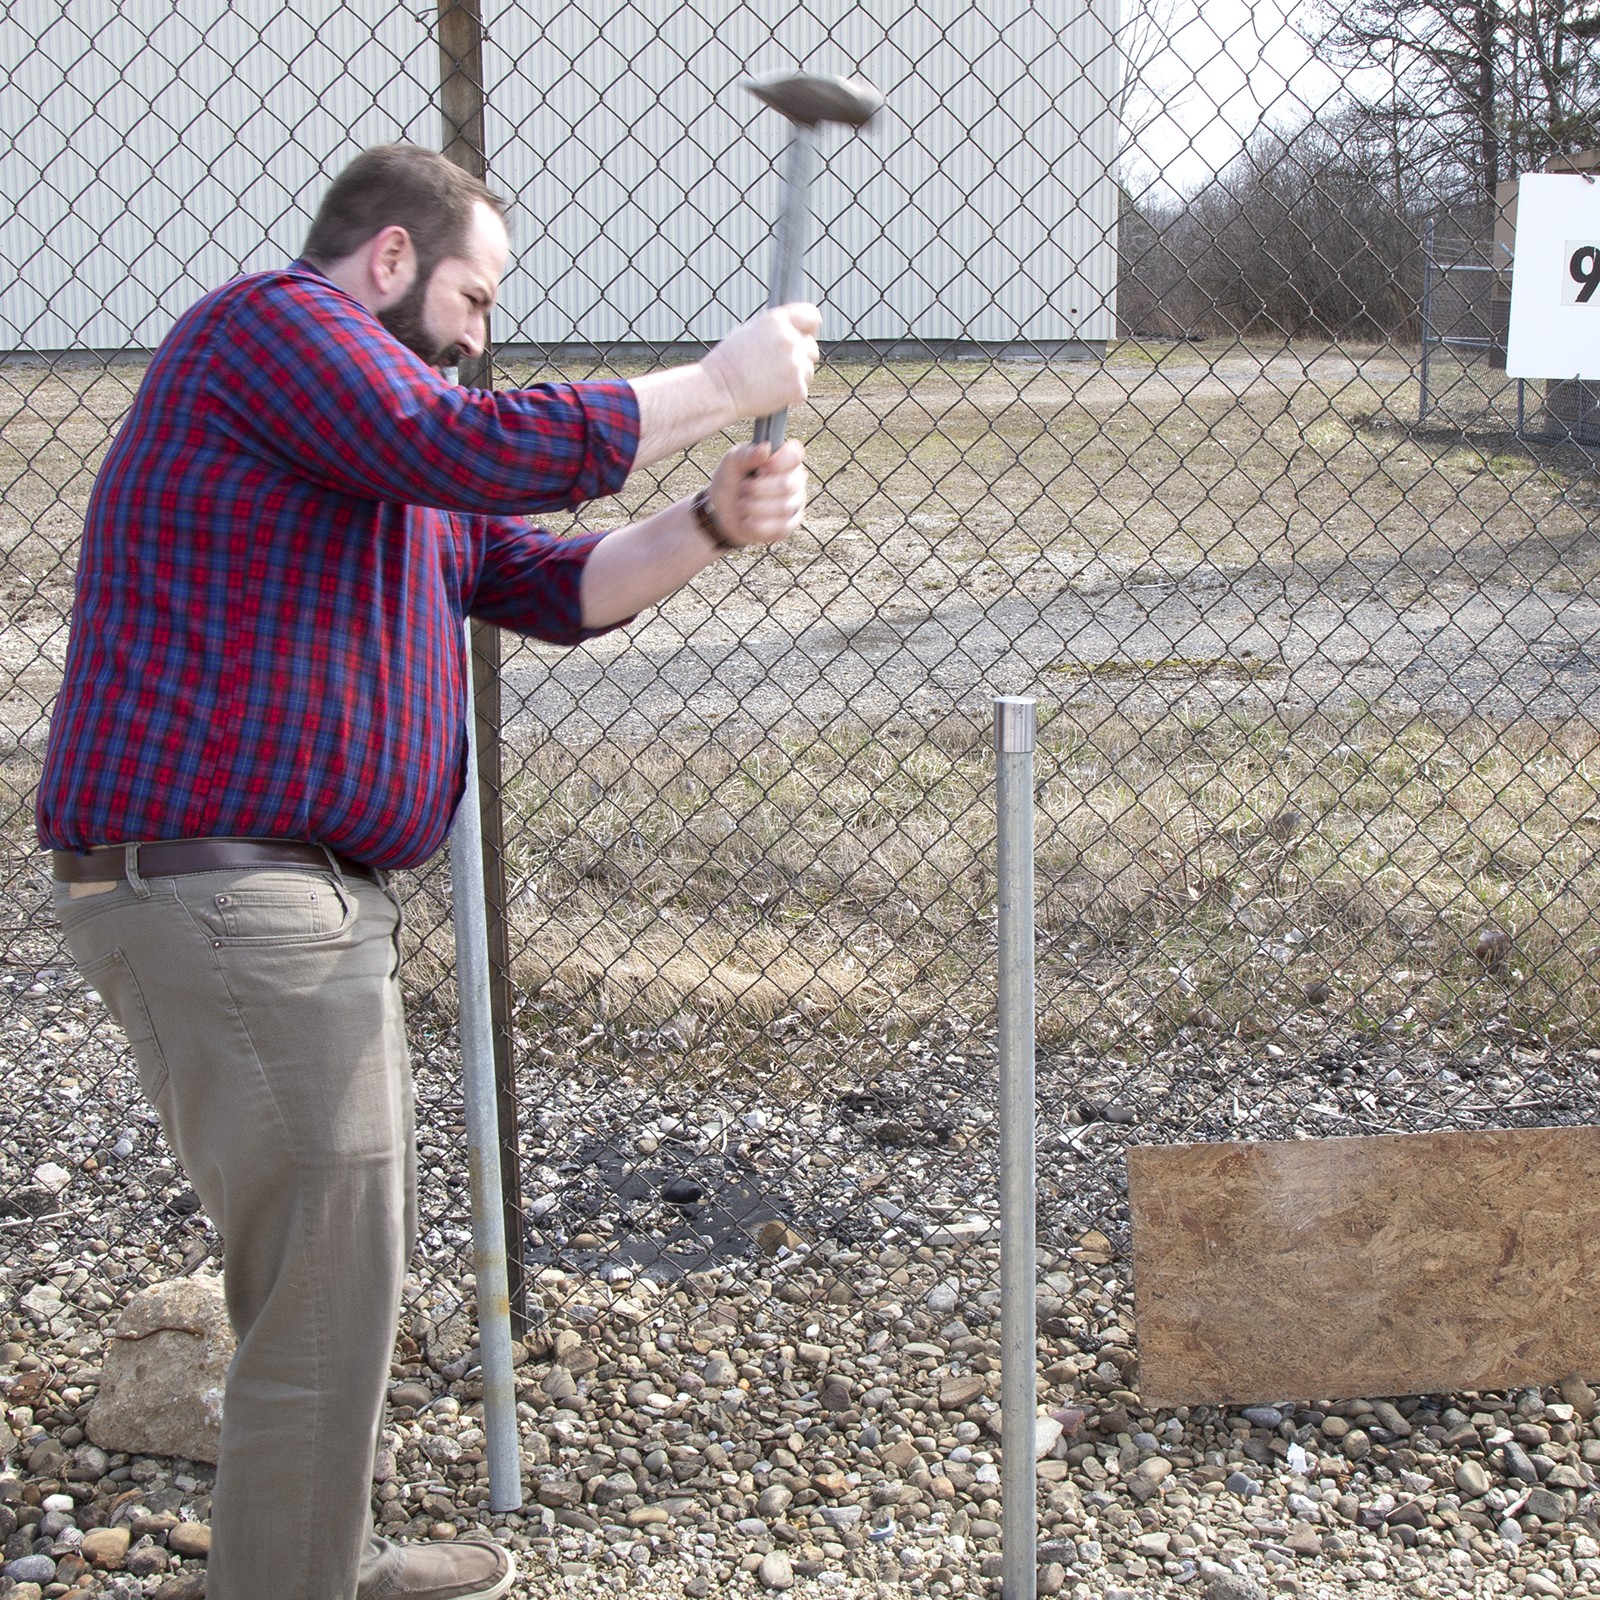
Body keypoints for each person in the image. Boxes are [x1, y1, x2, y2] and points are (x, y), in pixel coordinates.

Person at [35, 143, 818, 1600]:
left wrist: (706, 521)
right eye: (474, 292)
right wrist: (714, 382)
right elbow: (464, 444)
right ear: (389, 260)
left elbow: (553, 586)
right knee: (329, 1290)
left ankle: (310, 1557)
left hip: (287, 899)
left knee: (332, 1275)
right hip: (231, 889)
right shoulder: (271, 331)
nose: (481, 330)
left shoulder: (380, 445)